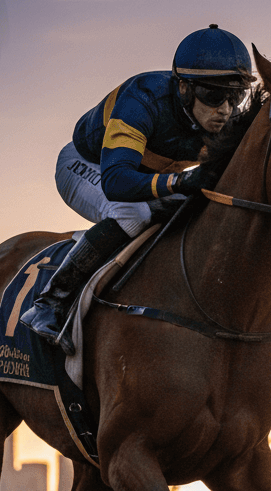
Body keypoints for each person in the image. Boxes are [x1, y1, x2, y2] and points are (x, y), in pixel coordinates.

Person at [20, 24, 253, 353]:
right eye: (214, 95)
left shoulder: (225, 118)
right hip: (92, 166)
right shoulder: (143, 99)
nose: (226, 110)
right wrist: (180, 181)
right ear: (184, 88)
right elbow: (116, 182)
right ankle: (49, 302)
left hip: (143, 176)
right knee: (131, 212)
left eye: (236, 95)